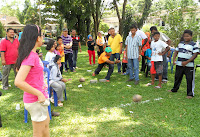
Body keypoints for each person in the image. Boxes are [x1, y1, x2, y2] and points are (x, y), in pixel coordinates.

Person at [15, 25, 50, 137]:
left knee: (45, 127)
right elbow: (18, 81)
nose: (43, 37)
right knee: (38, 133)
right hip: (36, 100)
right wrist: (39, 93)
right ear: (37, 38)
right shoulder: (30, 56)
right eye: (42, 35)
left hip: (40, 99)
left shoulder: (32, 55)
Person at [169, 30, 199, 99]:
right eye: (185, 36)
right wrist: (174, 59)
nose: (186, 37)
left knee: (189, 79)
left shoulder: (193, 44)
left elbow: (195, 55)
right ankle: (174, 89)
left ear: (191, 37)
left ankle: (190, 93)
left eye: (187, 36)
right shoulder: (180, 43)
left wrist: (187, 62)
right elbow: (176, 51)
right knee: (177, 77)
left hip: (189, 66)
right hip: (179, 64)